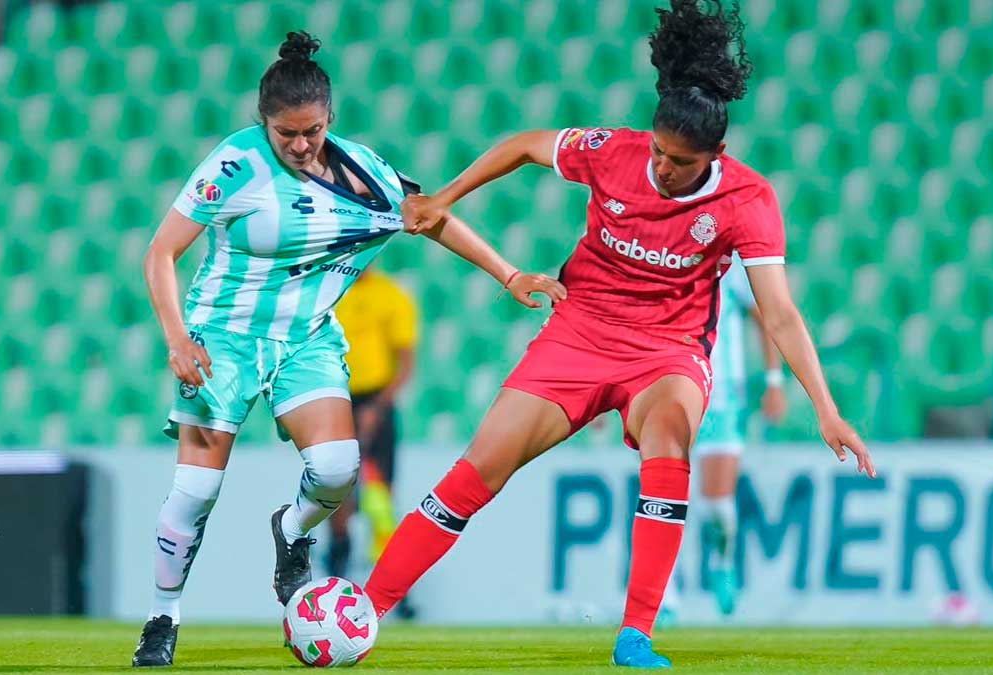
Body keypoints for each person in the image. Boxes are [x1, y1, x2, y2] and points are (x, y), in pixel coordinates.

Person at [363, 2, 875, 669]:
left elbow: (778, 312)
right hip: (579, 330)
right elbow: (523, 145)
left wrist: (826, 409)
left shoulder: (748, 200)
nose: (662, 168)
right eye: (660, 150)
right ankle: (365, 609)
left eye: (681, 161)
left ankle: (636, 634)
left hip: (668, 352)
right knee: (481, 466)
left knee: (670, 437)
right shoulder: (613, 152)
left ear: (716, 155)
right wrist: (447, 196)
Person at [133, 31, 564, 667]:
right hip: (221, 339)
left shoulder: (365, 172)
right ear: (265, 124)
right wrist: (176, 336)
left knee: (337, 469)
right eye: (286, 134)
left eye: (310, 131)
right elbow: (160, 252)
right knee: (196, 492)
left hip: (305, 340)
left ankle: (291, 530)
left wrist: (507, 274)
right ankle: (162, 618)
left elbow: (430, 216)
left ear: (329, 119)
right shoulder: (235, 165)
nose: (300, 145)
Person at [658, 253, 786, 624]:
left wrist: (774, 382)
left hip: (722, 396)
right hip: (669, 391)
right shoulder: (658, 253)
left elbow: (765, 318)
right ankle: (665, 598)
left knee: (716, 504)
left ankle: (722, 560)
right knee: (664, 498)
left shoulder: (730, 265)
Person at [327, 267, 419, 619]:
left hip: (376, 403)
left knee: (380, 499)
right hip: (336, 400)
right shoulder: (331, 293)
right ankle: (334, 583)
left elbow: (405, 365)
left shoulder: (391, 295)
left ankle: (394, 591)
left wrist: (377, 407)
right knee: (336, 495)